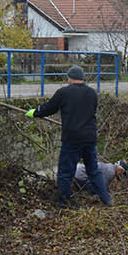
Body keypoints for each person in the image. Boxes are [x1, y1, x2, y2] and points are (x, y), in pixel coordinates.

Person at [26, 65, 111, 207]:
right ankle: (106, 199)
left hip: (72, 139)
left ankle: (64, 203)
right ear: (82, 78)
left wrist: (35, 112)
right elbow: (91, 111)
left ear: (69, 78)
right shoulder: (92, 93)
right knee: (93, 170)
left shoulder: (63, 92)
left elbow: (49, 108)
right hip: (90, 138)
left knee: (65, 172)